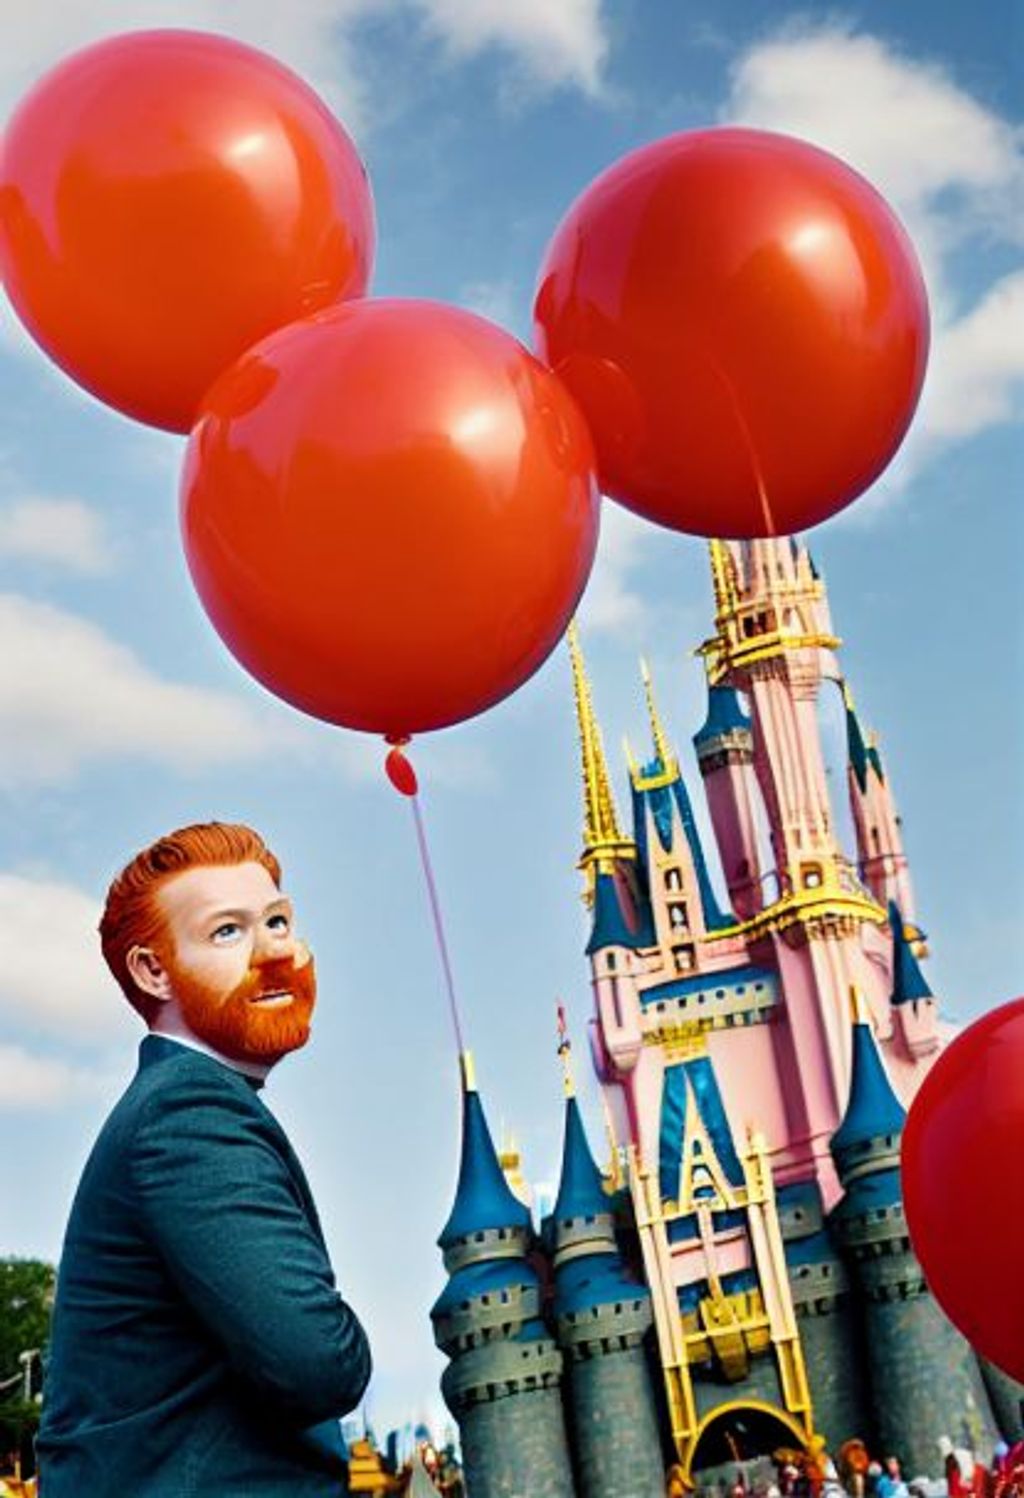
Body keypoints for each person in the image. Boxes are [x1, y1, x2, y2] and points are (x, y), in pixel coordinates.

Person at [36, 822, 372, 1495]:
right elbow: (316, 1362)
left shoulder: (185, 1103)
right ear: (152, 970)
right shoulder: (190, 1115)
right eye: (228, 931)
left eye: (278, 922)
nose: (274, 952)